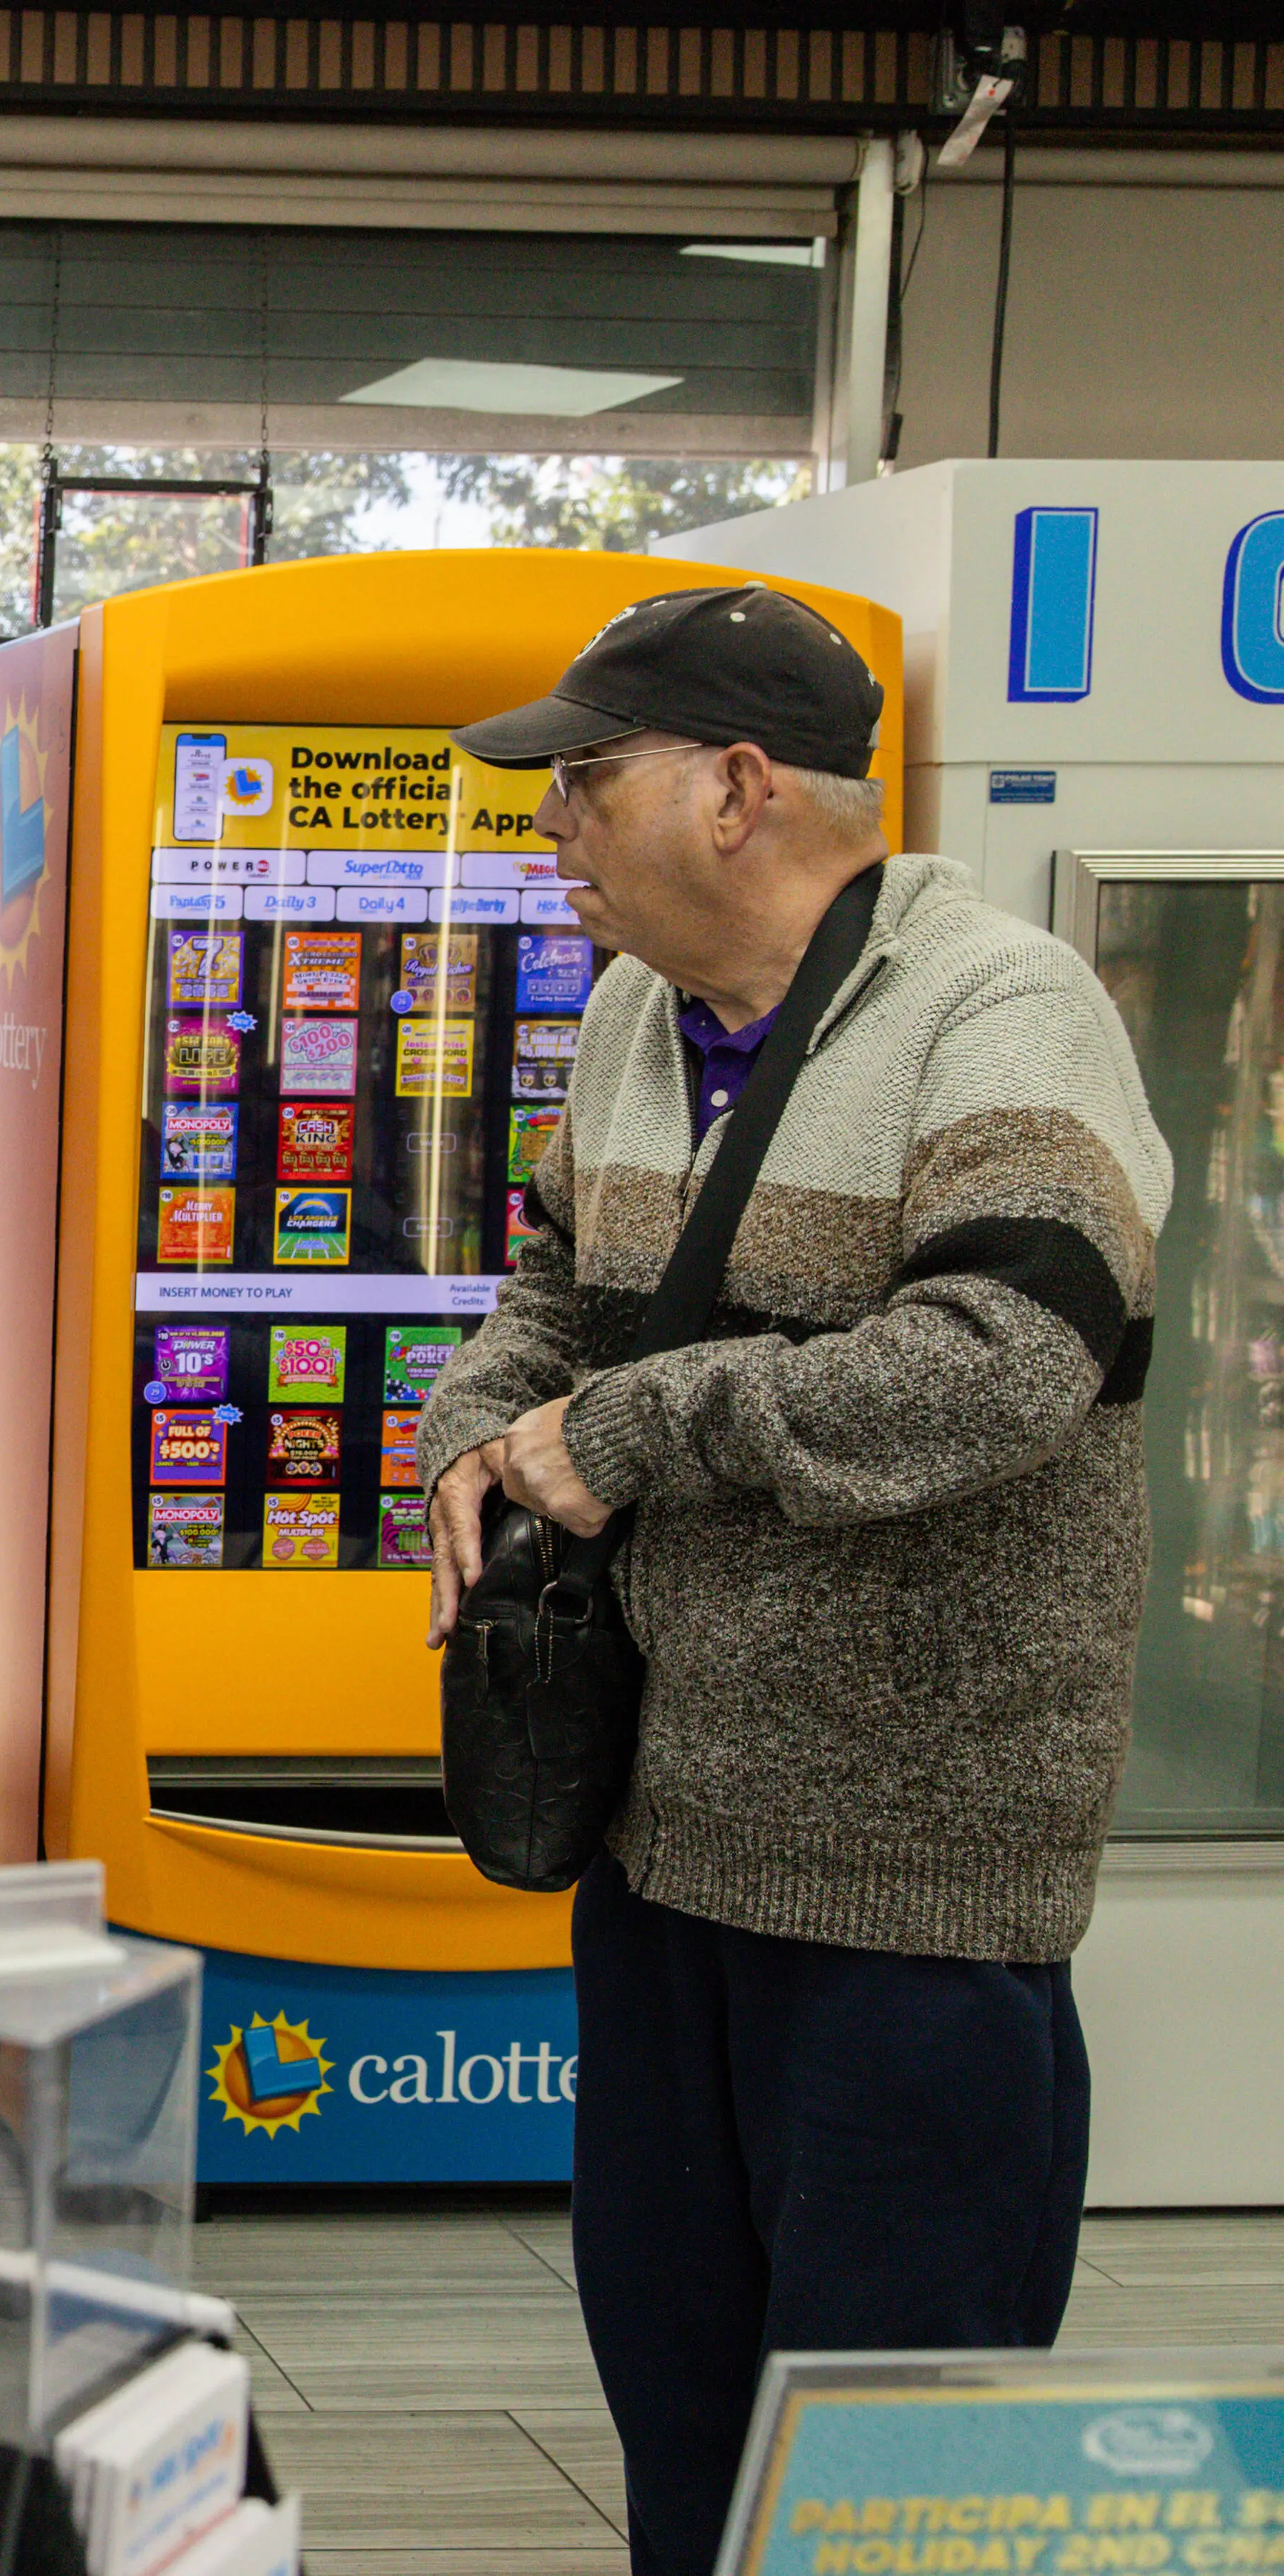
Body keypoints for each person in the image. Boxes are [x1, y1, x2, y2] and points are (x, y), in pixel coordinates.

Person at [419, 587, 1172, 2576]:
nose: (547, 824)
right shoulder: (618, 1020)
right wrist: (472, 1438)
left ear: (740, 786)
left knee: (887, 2480)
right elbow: (555, 1296)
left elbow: (1003, 1364)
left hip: (907, 1894)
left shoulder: (997, 1014)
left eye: (582, 779)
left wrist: (629, 1429)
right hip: (656, 1850)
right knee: (678, 2420)